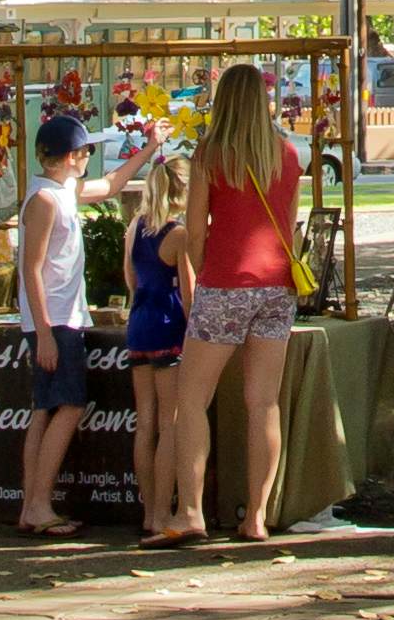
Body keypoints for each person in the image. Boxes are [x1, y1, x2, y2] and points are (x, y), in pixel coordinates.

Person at [183, 61, 307, 542]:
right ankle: (256, 515)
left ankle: (191, 511)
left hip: (225, 283)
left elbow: (196, 231)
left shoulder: (210, 155)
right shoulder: (287, 154)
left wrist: (201, 273)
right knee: (264, 404)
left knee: (192, 402)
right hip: (277, 284)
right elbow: (291, 224)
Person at [9, 113, 95, 538]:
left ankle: (32, 505)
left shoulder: (63, 192)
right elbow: (32, 268)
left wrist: (151, 148)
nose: (86, 160)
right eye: (81, 153)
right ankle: (40, 503)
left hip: (61, 316)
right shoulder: (44, 200)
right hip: (55, 318)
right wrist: (43, 332)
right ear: (68, 157)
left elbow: (109, 186)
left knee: (45, 409)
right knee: (68, 406)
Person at [124, 145, 200, 545]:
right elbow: (189, 294)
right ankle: (163, 510)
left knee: (145, 419)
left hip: (139, 325)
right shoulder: (178, 234)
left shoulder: (136, 227)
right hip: (169, 327)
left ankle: (148, 509)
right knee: (170, 422)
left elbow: (131, 281)